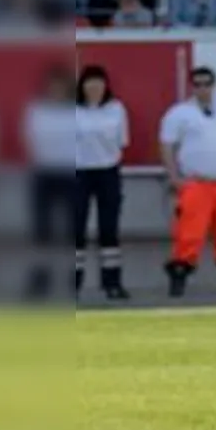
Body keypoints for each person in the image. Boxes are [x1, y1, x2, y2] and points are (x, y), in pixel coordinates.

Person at [159, 66, 216, 297]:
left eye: (206, 84)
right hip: (197, 183)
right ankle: (179, 273)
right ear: (192, 87)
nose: (202, 88)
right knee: (189, 232)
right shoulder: (179, 113)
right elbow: (166, 145)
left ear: (213, 85)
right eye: (198, 84)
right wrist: (174, 176)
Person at [76, 65, 131, 299]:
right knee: (76, 229)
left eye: (99, 83)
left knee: (109, 229)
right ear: (82, 86)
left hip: (108, 172)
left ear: (106, 86)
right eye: (90, 83)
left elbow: (122, 142)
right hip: (78, 173)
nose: (94, 88)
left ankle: (112, 282)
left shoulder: (116, 109)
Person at [24, 66, 77, 299]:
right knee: (41, 228)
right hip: (44, 173)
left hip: (70, 174)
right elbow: (30, 139)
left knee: (72, 229)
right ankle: (41, 276)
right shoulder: (37, 111)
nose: (56, 90)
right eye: (52, 86)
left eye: (61, 86)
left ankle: (73, 276)